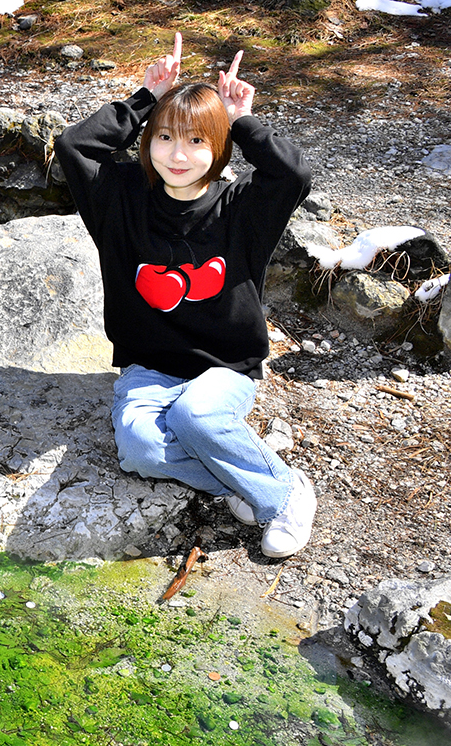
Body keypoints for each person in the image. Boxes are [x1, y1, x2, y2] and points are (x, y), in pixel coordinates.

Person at [54, 32, 317, 559]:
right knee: (140, 450)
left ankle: (283, 494)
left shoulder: (244, 208)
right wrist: (147, 97)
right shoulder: (122, 198)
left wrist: (241, 119)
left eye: (198, 141)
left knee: (195, 416)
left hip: (226, 366)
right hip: (148, 368)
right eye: (166, 138)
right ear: (147, 142)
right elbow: (74, 147)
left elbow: (293, 174)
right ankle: (240, 476)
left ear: (219, 149)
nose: (179, 155)